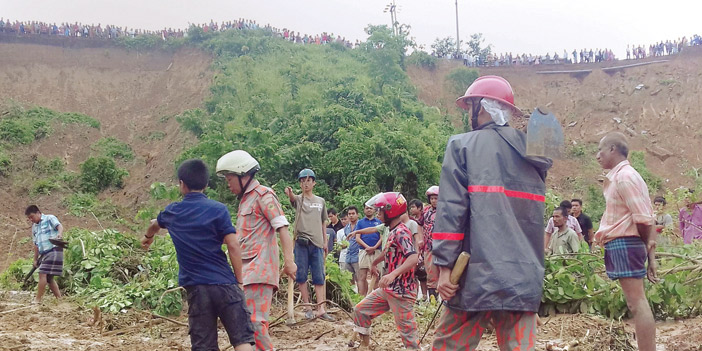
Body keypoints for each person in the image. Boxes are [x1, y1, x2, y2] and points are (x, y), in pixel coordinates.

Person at [431, 75, 552, 351]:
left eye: (471, 105)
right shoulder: (533, 153)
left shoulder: (462, 146)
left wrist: (444, 269)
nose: (469, 113)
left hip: (474, 277)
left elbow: (451, 211)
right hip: (523, 277)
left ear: (482, 107)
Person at [141, 159, 254, 351]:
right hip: (225, 284)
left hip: (197, 289)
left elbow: (155, 223)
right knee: (242, 339)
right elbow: (234, 246)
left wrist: (148, 237)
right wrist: (240, 281)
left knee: (204, 346)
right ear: (206, 185)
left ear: (181, 184)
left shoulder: (173, 212)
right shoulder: (219, 210)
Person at [215, 150, 297, 351]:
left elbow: (282, 228)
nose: (228, 183)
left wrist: (289, 262)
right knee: (247, 324)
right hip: (246, 270)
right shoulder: (245, 200)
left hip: (260, 269)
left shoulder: (264, 195)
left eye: (230, 178)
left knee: (255, 323)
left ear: (243, 175)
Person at [594, 132, 657, 351]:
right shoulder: (621, 177)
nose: (597, 156)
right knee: (636, 302)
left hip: (626, 242)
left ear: (613, 149)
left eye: (600, 150)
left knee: (637, 302)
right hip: (624, 242)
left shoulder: (624, 177)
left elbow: (643, 218)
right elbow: (646, 216)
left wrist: (646, 248)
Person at [352, 192, 420, 350]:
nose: (378, 214)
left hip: (402, 291)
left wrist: (392, 274)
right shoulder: (392, 230)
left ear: (391, 211)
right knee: (361, 310)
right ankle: (365, 344)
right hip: (388, 289)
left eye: (380, 211)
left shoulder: (402, 232)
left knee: (408, 334)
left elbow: (413, 257)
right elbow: (388, 251)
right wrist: (375, 262)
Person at [284, 168, 335, 321]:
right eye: (302, 181)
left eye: (308, 180)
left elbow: (323, 222)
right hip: (301, 242)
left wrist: (325, 242)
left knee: (319, 276)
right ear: (300, 183)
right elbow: (292, 199)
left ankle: (321, 308)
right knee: (301, 276)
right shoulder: (299, 199)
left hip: (317, 243)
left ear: (314, 183)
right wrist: (290, 193)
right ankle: (307, 307)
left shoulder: (321, 201)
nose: (305, 183)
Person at [26, 205, 64, 304]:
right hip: (44, 253)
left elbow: (59, 226)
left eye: (32, 216)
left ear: (38, 213)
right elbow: (36, 244)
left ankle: (37, 300)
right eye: (29, 218)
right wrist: (35, 259)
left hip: (54, 249)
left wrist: (59, 234)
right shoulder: (34, 227)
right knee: (49, 278)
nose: (31, 219)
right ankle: (59, 299)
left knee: (42, 273)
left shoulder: (49, 218)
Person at [355, 204, 383, 296]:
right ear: (364, 210)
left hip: (377, 251)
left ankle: (376, 298)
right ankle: (362, 298)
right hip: (363, 251)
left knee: (376, 276)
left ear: (374, 210)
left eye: (371, 208)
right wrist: (367, 247)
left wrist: (374, 247)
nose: (369, 210)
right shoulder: (360, 223)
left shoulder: (379, 222)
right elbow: (357, 238)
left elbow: (382, 237)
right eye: (367, 208)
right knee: (362, 276)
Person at [417, 186, 439, 299]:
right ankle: (432, 302)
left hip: (443, 247)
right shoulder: (425, 211)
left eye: (436, 198)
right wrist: (420, 239)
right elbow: (419, 225)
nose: (434, 201)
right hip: (429, 247)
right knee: (431, 274)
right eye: (432, 198)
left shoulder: (446, 210)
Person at [409, 199, 428, 300]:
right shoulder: (412, 221)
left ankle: (426, 296)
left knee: (424, 275)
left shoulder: (425, 219)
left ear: (419, 208)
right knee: (415, 274)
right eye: (410, 207)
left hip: (425, 249)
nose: (411, 209)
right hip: (415, 249)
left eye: (413, 207)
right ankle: (415, 296)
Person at [343, 206, 361, 288]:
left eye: (353, 213)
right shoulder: (346, 227)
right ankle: (352, 298)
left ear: (357, 215)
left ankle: (361, 298)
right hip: (348, 256)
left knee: (360, 279)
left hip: (358, 255)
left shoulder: (361, 225)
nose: (351, 215)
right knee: (348, 279)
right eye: (349, 214)